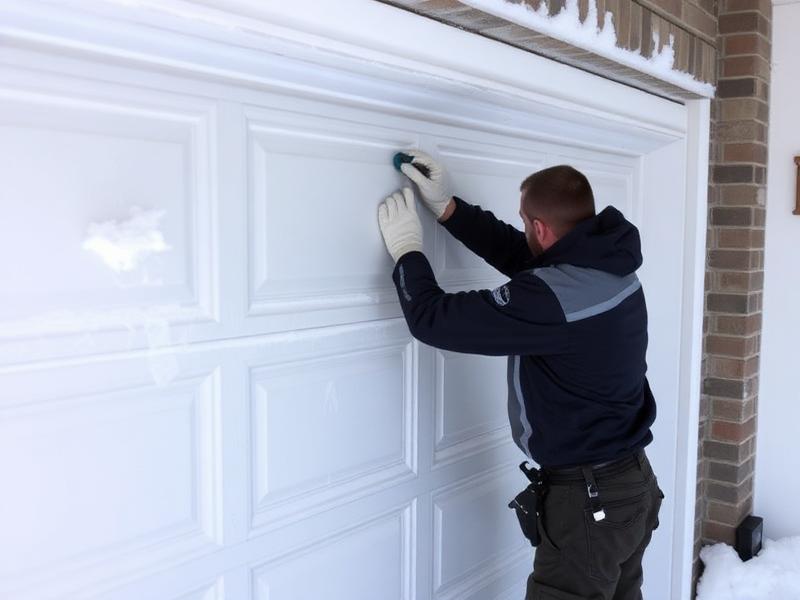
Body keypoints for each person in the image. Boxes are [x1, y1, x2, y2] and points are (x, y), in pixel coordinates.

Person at [377, 150, 665, 600]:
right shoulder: (613, 268)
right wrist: (449, 209)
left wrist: (407, 250)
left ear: (541, 228)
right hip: (631, 488)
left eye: (526, 222)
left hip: (590, 502)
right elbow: (528, 261)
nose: (525, 230)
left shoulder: (554, 300)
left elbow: (432, 319)